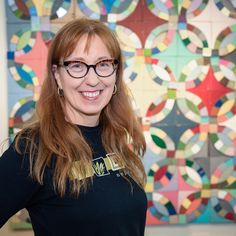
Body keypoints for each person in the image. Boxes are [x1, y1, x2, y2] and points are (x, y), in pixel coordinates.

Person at [0, 17, 147, 236]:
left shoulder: (114, 136)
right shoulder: (33, 148)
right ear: (57, 75)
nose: (93, 79)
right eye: (77, 65)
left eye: (103, 64)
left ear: (116, 72)